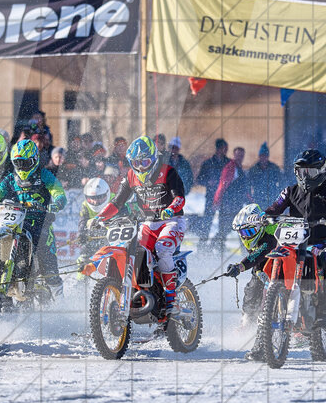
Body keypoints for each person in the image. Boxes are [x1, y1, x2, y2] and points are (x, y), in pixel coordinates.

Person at [92, 136, 187, 318]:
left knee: (162, 249)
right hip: (148, 223)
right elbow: (117, 202)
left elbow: (180, 198)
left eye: (145, 161)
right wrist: (100, 217)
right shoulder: (130, 176)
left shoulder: (168, 171)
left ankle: (172, 299)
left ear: (153, 158)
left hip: (171, 220)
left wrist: (170, 209)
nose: (141, 167)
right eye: (137, 162)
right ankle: (136, 294)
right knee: (134, 252)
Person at [264, 149, 326, 328]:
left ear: (321, 171)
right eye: (301, 171)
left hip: (320, 242)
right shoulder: (289, 191)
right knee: (265, 259)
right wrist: (263, 216)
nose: (305, 176)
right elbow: (275, 207)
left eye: (310, 171)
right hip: (292, 243)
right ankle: (265, 310)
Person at [0, 139, 67, 298]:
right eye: (18, 163)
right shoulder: (10, 178)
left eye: (25, 163)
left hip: (39, 223)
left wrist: (57, 202)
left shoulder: (44, 175)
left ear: (34, 160)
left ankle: (59, 297)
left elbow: (58, 191)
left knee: (47, 263)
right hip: (14, 220)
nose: (21, 167)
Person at [224, 203, 281, 359]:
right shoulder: (252, 236)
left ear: (259, 227)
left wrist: (240, 266)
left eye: (249, 231)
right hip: (263, 269)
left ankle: (296, 328)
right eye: (242, 232)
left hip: (282, 269)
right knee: (251, 291)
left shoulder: (272, 231)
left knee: (271, 297)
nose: (246, 236)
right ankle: (247, 322)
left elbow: (261, 252)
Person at [195, 138, 230, 244]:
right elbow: (199, 179)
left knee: (224, 224)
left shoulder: (228, 163)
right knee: (207, 223)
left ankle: (218, 244)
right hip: (211, 197)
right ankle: (202, 246)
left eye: (226, 149)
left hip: (224, 198)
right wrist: (208, 182)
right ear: (218, 149)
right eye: (223, 148)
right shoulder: (208, 163)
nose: (225, 151)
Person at [214, 146, 249, 245]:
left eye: (241, 155)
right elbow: (222, 185)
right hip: (228, 204)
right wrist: (217, 200)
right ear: (234, 155)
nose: (239, 157)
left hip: (237, 204)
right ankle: (212, 247)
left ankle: (243, 250)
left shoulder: (240, 169)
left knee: (238, 227)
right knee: (225, 229)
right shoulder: (230, 167)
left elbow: (244, 188)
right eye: (238, 155)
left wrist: (249, 199)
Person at [248, 143, 284, 210]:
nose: (263, 158)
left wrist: (279, 197)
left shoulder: (274, 168)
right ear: (259, 156)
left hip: (272, 198)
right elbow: (248, 184)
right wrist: (251, 198)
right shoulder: (253, 169)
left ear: (268, 157)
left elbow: (281, 182)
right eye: (262, 156)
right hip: (258, 198)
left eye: (265, 156)